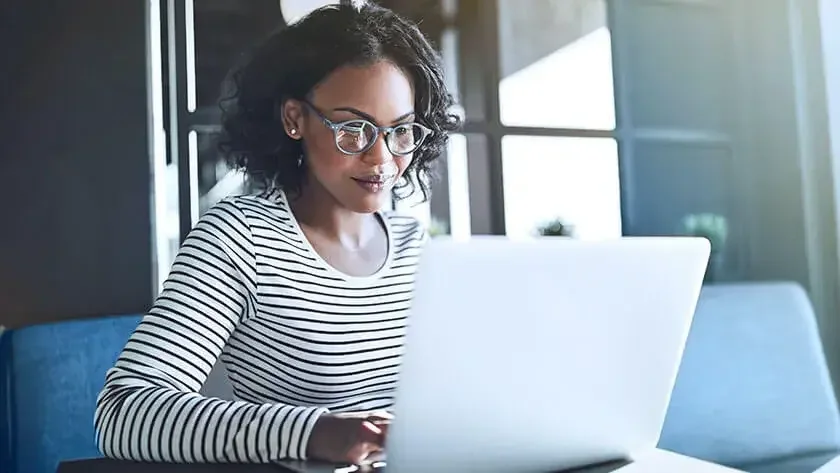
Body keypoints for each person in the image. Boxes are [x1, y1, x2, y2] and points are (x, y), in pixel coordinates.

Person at [94, 2, 459, 466]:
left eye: (400, 131)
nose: (381, 158)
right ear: (295, 118)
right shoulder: (238, 238)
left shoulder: (416, 246)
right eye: (353, 129)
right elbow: (123, 413)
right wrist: (315, 432)